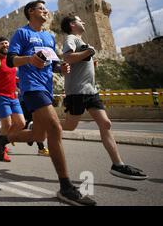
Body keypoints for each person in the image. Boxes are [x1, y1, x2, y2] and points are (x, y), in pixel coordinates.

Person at [0, 0, 96, 206]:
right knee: (55, 130)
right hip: (31, 88)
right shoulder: (22, 33)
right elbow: (11, 60)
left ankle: (3, 139)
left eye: (46, 8)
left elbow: (53, 62)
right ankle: (66, 186)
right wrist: (30, 59)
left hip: (47, 88)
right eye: (42, 8)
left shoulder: (49, 37)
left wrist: (61, 69)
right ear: (31, 12)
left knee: (37, 135)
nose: (46, 11)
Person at [60, 15, 147, 180]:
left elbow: (80, 60)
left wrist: (90, 61)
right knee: (70, 126)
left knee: (106, 124)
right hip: (77, 92)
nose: (83, 22)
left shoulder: (81, 41)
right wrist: (88, 52)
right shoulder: (71, 38)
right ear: (72, 25)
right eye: (80, 20)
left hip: (91, 91)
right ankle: (41, 124)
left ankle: (118, 165)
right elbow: (68, 57)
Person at [0, 37, 28, 162]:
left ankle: (0, 138)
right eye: (2, 44)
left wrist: (19, 86)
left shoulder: (13, 61)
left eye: (6, 43)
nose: (5, 45)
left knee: (21, 123)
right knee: (7, 124)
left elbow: (14, 77)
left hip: (13, 96)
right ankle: (2, 147)